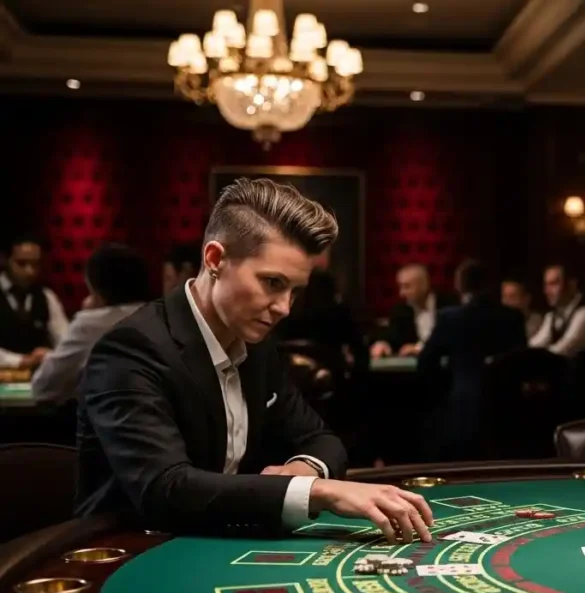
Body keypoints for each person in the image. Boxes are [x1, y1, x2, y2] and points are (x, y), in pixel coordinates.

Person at [75, 178, 433, 543]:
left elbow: (320, 439)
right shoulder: (131, 348)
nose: (284, 308)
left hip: (216, 543)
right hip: (126, 553)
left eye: (295, 290)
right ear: (215, 259)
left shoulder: (256, 344)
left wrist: (303, 468)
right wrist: (317, 491)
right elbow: (165, 489)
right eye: (273, 283)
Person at [418, 260, 526, 460]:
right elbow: (521, 363)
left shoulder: (450, 317)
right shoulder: (513, 317)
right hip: (509, 410)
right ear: (491, 284)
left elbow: (425, 363)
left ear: (459, 285)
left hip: (462, 409)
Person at [31, 243, 150, 405]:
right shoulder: (160, 316)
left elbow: (43, 388)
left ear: (99, 290)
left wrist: (91, 314)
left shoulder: (91, 323)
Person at [0, 235, 69, 369]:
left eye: (35, 264)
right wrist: (21, 361)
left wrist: (51, 355)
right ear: (4, 260)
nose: (30, 271)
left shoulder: (46, 296)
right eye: (21, 263)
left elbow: (65, 339)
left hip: (37, 380)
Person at [370, 263, 456, 359]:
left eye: (407, 287)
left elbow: (455, 340)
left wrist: (420, 348)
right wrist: (383, 343)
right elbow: (392, 336)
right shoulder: (401, 310)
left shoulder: (449, 304)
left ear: (424, 285)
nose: (401, 293)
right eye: (400, 287)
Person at [529, 262, 585, 357]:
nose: (546, 291)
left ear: (572, 284)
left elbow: (561, 352)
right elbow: (534, 346)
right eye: (546, 285)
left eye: (553, 284)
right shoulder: (552, 316)